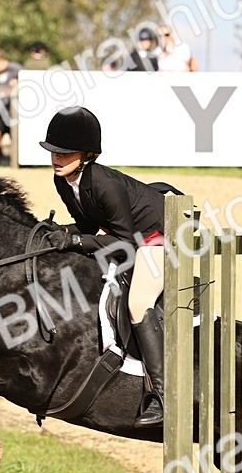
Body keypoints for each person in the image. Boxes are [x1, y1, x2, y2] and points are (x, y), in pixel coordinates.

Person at [40, 106, 168, 427]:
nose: (56, 157)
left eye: (65, 152)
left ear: (87, 155)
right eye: (54, 150)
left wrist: (75, 242)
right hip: (130, 236)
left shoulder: (104, 184)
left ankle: (162, 396)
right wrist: (58, 233)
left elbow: (124, 243)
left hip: (160, 234)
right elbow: (87, 227)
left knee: (138, 302)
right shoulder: (64, 180)